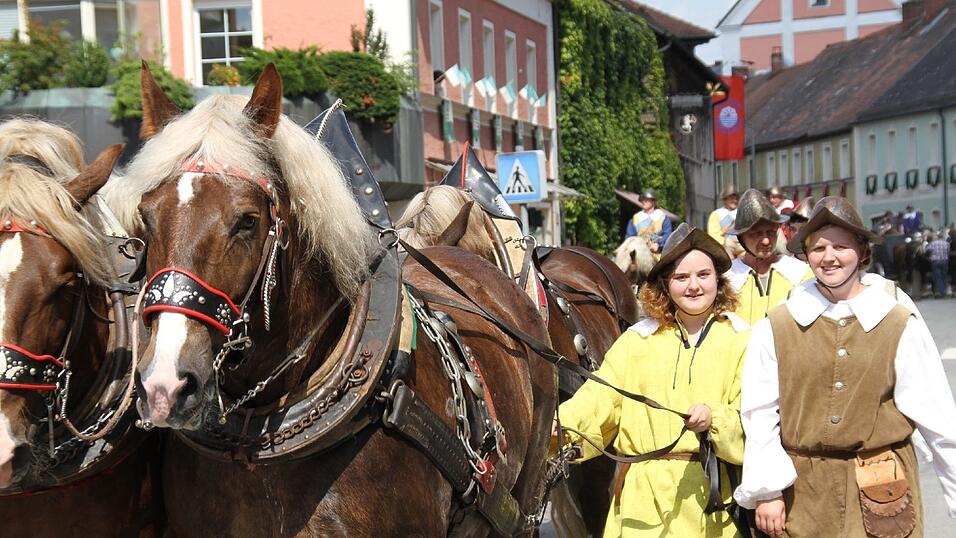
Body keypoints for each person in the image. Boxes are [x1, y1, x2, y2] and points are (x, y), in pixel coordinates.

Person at [734, 197, 956, 537]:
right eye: (818, 248)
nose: (829, 257)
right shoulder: (778, 324)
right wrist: (766, 491)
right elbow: (760, 413)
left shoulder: (896, 320)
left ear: (863, 253)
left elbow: (938, 419)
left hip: (884, 488)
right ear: (807, 256)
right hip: (804, 493)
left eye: (841, 246)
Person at [556, 223, 749, 537]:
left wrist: (715, 419)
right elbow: (599, 399)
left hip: (709, 503)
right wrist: (559, 428)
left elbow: (754, 418)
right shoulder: (637, 340)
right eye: (681, 277)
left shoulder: (742, 339)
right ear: (664, 284)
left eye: (703, 275)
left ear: (718, 279)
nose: (694, 286)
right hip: (640, 506)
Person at [724, 189, 813, 326]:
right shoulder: (727, 279)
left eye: (771, 232)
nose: (766, 241)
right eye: (756, 234)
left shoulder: (801, 273)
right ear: (741, 236)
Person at [625, 188, 672, 254]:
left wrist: (658, 244)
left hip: (658, 253)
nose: (643, 202)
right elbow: (630, 237)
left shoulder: (663, 218)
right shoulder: (636, 218)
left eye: (646, 200)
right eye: (642, 200)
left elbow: (667, 235)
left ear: (653, 202)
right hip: (639, 253)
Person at [926, 232, 951, 298]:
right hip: (945, 261)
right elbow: (948, 252)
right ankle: (944, 291)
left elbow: (927, 250)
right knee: (944, 276)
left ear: (937, 237)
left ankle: (942, 293)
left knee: (938, 277)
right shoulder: (946, 244)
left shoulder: (933, 243)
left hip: (935, 262)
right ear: (942, 237)